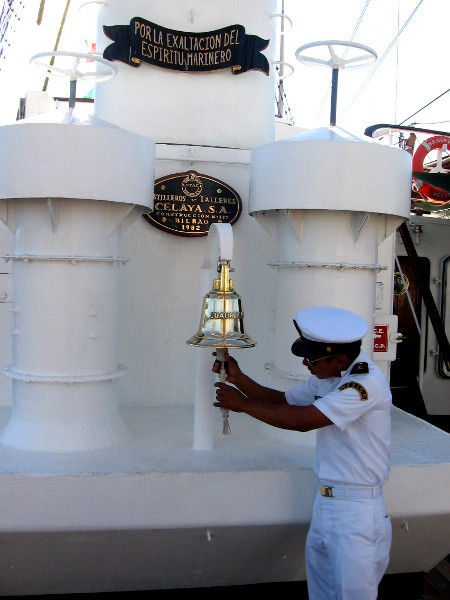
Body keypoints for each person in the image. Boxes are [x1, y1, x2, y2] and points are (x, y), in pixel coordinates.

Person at [212, 305, 392, 600]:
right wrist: (239, 380)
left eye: (312, 358)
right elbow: (284, 401)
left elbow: (301, 421)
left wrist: (242, 405)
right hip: (326, 505)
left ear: (340, 360)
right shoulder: (328, 377)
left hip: (357, 512)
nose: (306, 363)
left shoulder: (363, 385)